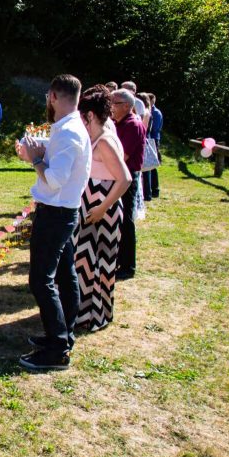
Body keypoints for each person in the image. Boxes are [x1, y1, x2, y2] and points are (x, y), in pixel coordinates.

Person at [14, 74, 92, 371]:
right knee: (64, 274)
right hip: (61, 211)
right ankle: (61, 335)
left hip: (56, 212)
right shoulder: (67, 128)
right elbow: (57, 160)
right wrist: (36, 152)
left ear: (52, 97)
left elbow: (56, 179)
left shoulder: (70, 132)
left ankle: (58, 348)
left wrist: (36, 159)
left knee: (41, 280)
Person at [71, 86, 131, 332]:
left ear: (91, 116)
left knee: (101, 264)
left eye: (82, 117)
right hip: (89, 207)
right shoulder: (97, 135)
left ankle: (97, 315)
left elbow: (124, 179)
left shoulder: (105, 140)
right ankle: (82, 312)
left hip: (103, 210)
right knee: (84, 262)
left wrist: (101, 209)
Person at [111, 88, 146, 280]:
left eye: (114, 103)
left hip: (127, 176)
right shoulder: (119, 122)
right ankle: (118, 260)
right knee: (118, 219)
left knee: (126, 221)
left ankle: (128, 266)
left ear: (126, 105)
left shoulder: (132, 124)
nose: (111, 107)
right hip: (118, 174)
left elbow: (122, 156)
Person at [143, 93, 163, 199]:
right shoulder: (152, 112)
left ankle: (155, 189)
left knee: (151, 165)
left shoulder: (155, 113)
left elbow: (155, 129)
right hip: (152, 139)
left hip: (153, 140)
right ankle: (152, 189)